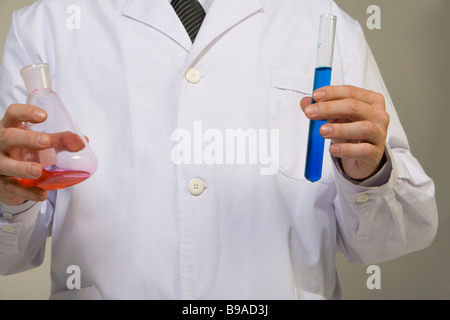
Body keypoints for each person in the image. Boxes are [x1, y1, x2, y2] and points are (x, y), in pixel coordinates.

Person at [0, 0, 438, 300]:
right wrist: (10, 197)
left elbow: (399, 236)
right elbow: (9, 255)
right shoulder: (46, 25)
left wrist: (370, 173)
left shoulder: (323, 21)